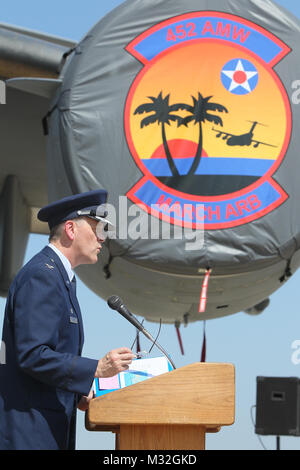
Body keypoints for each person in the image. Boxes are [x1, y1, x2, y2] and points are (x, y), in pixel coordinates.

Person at [0, 190, 134, 450]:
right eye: (98, 228)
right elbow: (32, 354)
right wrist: (95, 369)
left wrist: (79, 391)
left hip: (45, 429)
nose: (102, 238)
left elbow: (49, 359)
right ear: (71, 229)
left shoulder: (58, 277)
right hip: (29, 433)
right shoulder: (43, 276)